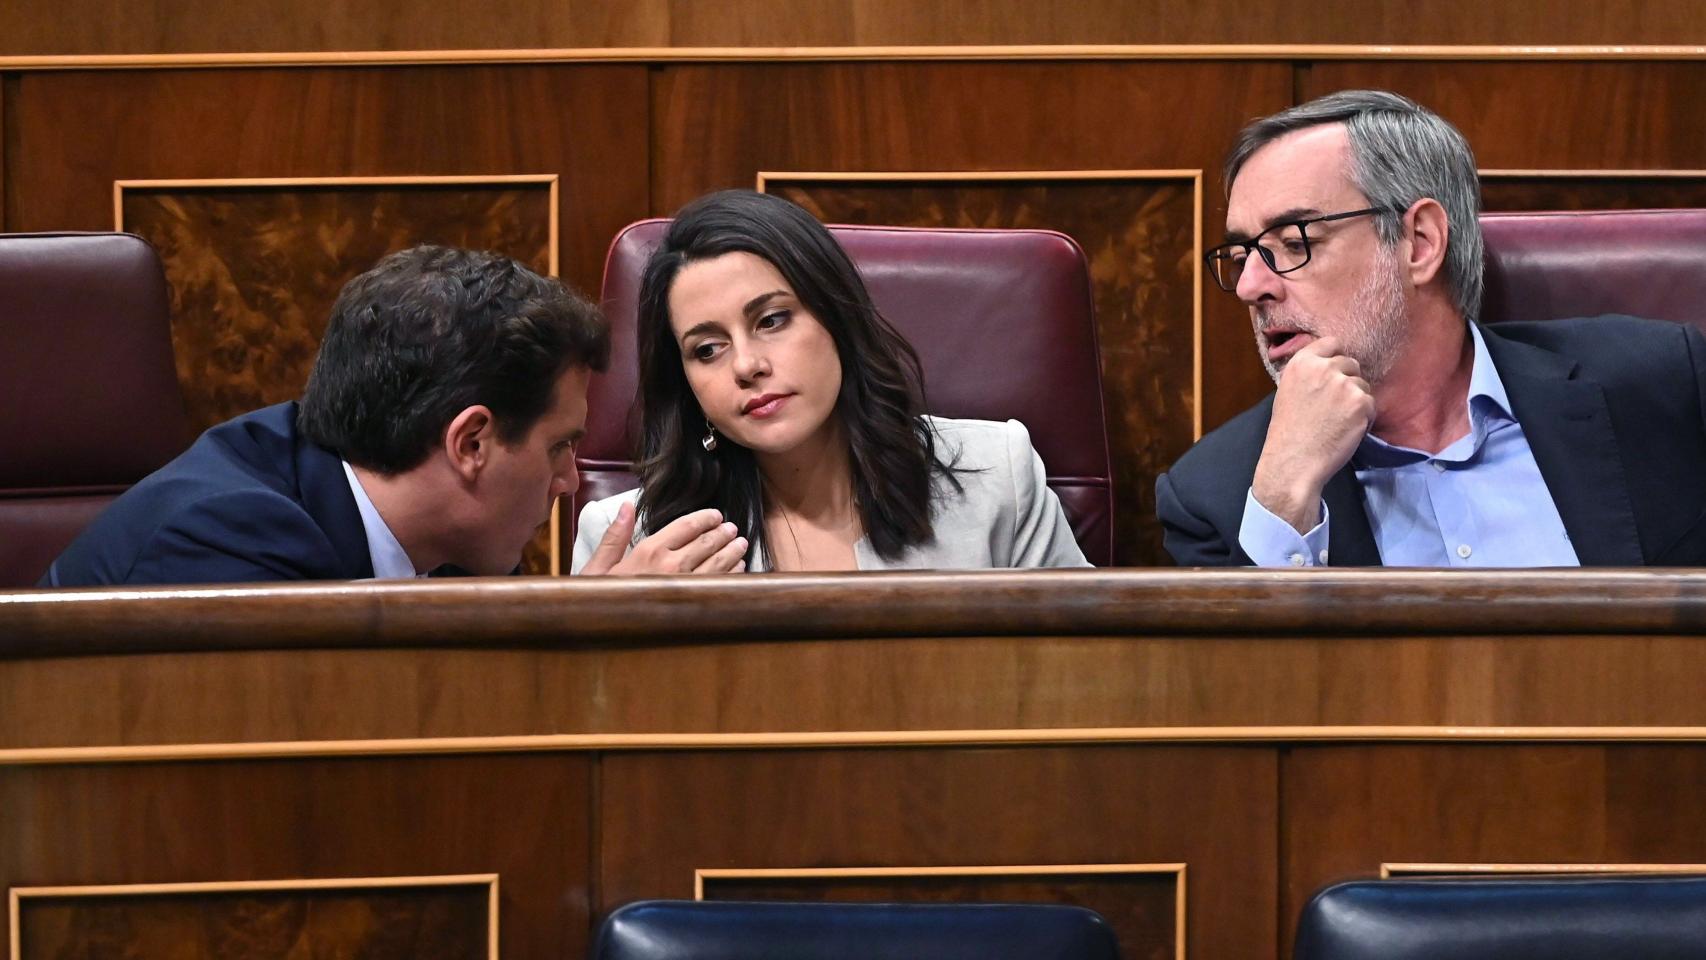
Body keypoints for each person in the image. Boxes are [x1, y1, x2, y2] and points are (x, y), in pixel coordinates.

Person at [1156, 89, 1706, 568]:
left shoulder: (1661, 387)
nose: (1251, 286)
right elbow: (1243, 687)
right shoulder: (1218, 496)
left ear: (1420, 243)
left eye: (1295, 243)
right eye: (1243, 253)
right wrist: (1285, 501)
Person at [42, 244, 744, 586]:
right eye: (560, 447)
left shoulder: (427, 537)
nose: (568, 482)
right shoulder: (227, 548)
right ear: (470, 441)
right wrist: (589, 645)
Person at [573, 190, 1088, 572]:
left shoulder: (996, 477)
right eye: (707, 349)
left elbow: (1086, 682)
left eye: (772, 320)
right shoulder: (627, 538)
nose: (746, 365)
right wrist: (617, 630)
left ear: (838, 319)